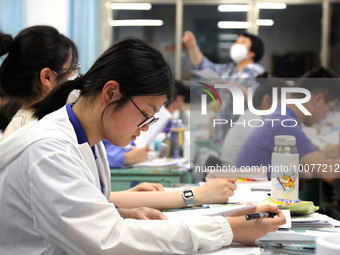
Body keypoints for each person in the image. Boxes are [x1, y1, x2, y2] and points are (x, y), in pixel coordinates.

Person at [0, 37, 285, 254]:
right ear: (111, 93)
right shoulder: (49, 150)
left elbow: (83, 217)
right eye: (146, 114)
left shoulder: (86, 138)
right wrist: (227, 228)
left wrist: (117, 213)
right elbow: (109, 241)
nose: (146, 127)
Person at [0, 25, 239, 211]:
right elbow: (89, 223)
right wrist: (195, 197)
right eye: (73, 69)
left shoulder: (67, 126)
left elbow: (81, 201)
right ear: (46, 77)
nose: (77, 77)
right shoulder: (44, 139)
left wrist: (122, 204)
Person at [236, 66, 340, 184]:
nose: (325, 115)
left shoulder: (282, 115)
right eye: (329, 109)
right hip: (255, 199)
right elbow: (329, 173)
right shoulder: (285, 123)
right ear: (318, 99)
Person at [183, 30, 266, 146]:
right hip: (222, 133)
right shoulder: (229, 70)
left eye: (242, 42)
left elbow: (264, 102)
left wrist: (240, 91)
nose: (236, 44)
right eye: (236, 41)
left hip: (243, 134)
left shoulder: (260, 74)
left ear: (252, 53)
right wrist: (192, 46)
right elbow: (203, 65)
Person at [0, 26, 80, 141]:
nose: (74, 74)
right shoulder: (34, 133)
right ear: (47, 77)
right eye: (71, 69)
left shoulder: (40, 122)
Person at [221, 77, 288, 166]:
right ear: (267, 100)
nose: (288, 110)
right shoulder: (256, 121)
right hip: (236, 175)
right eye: (285, 104)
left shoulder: (254, 115)